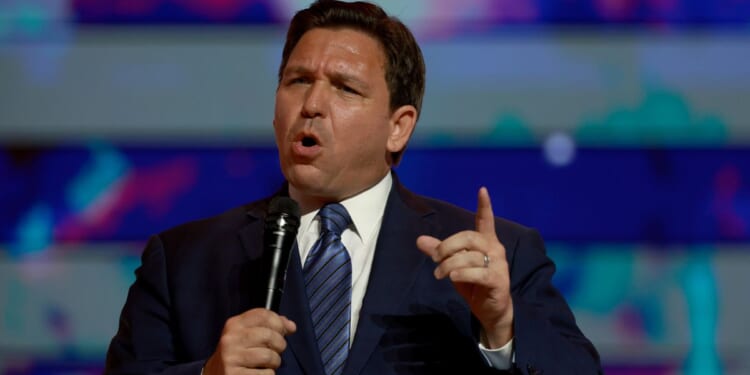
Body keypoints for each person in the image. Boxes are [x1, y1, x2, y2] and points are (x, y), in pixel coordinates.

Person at [105, 1, 602, 374]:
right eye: (298, 80)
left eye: (345, 88)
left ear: (398, 127)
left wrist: (502, 328)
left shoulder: (496, 259)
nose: (312, 104)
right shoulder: (183, 260)